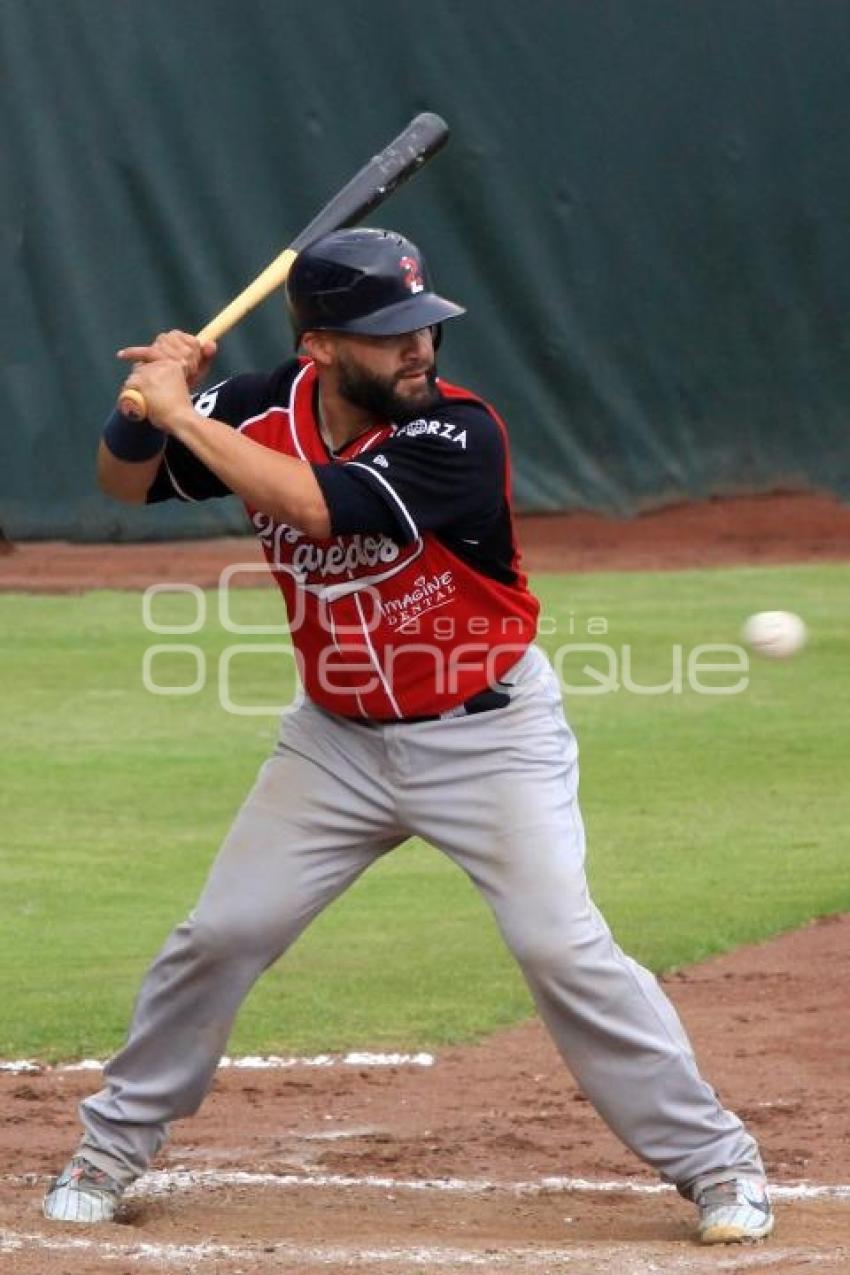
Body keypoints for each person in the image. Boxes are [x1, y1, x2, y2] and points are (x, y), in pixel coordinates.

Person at [43, 227, 773, 1244]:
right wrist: (150, 407)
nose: (419, 349)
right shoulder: (260, 403)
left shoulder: (458, 435)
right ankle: (109, 1149)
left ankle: (719, 1167)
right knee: (220, 934)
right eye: (390, 335)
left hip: (489, 740)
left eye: (424, 327)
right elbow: (125, 484)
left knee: (559, 946)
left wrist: (181, 416)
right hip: (334, 745)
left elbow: (313, 505)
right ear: (322, 349)